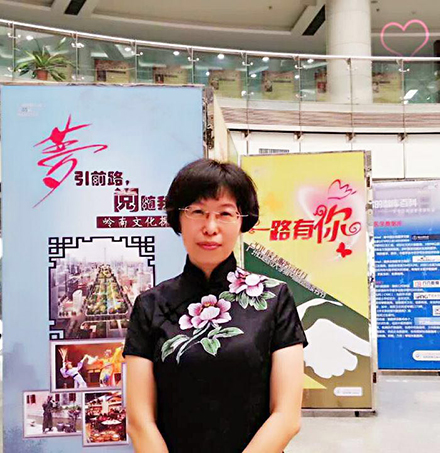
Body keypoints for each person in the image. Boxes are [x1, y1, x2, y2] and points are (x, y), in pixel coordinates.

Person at [123, 159, 307, 453]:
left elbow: (286, 417)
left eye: (225, 214)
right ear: (178, 218)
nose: (210, 227)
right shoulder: (150, 305)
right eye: (197, 212)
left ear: (242, 220)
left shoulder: (274, 299)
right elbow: (140, 421)